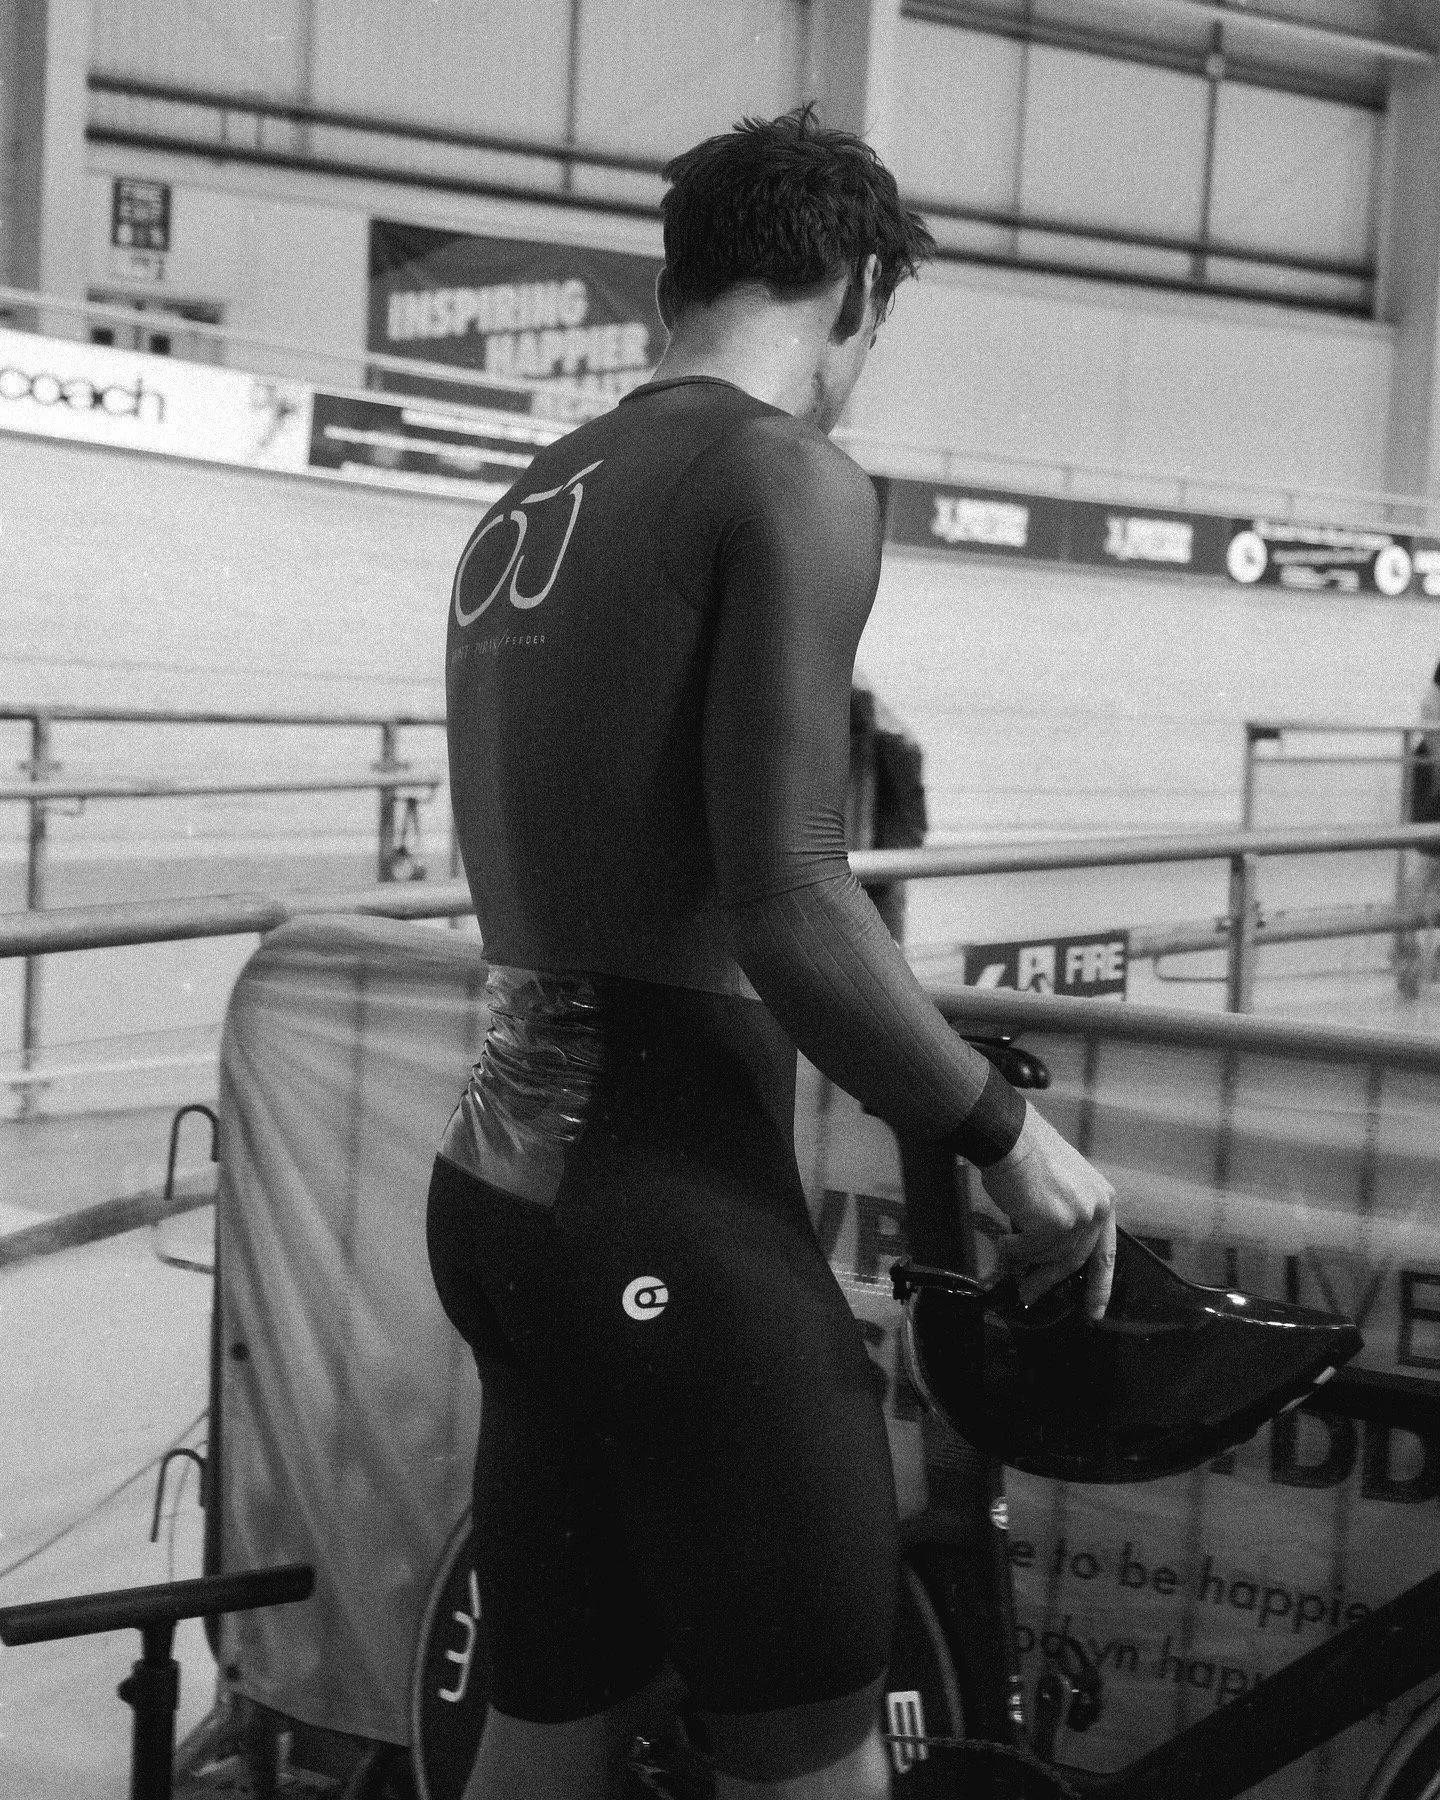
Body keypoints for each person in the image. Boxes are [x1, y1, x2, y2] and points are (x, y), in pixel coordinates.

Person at [426, 105, 1117, 1800]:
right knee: (808, 1759)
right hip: (665, 1215)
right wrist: (1005, 1138)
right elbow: (791, 897)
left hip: (503, 1212)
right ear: (859, 285)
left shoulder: (532, 495)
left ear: (678, 278)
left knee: (543, 1737)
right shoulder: (784, 473)